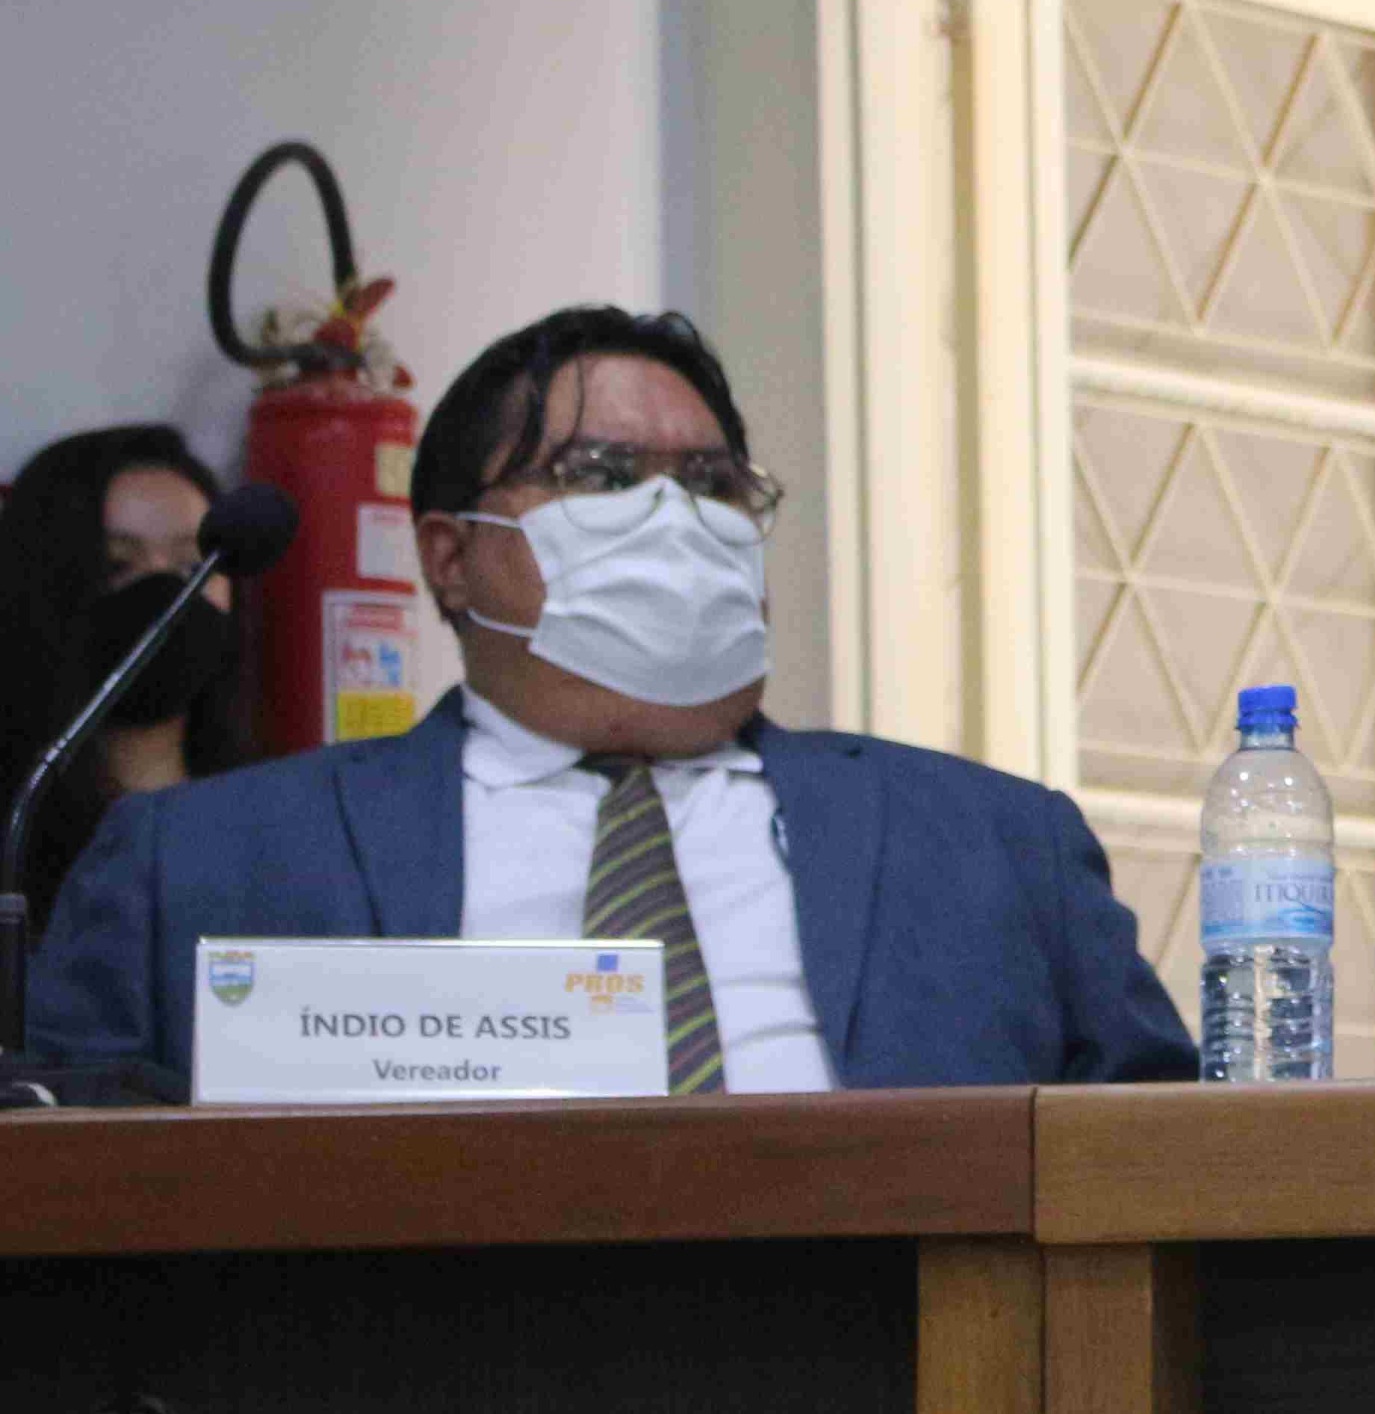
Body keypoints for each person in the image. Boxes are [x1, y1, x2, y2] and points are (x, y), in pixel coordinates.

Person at [33, 306, 1193, 1088]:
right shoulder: (194, 863)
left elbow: (1161, 1176)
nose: (671, 516)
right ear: (450, 556)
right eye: (598, 474)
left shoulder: (1000, 846)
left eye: (713, 481)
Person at [0, 426, 260, 921]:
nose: (165, 594)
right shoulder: (18, 832)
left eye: (195, 569)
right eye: (117, 564)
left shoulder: (266, 828)